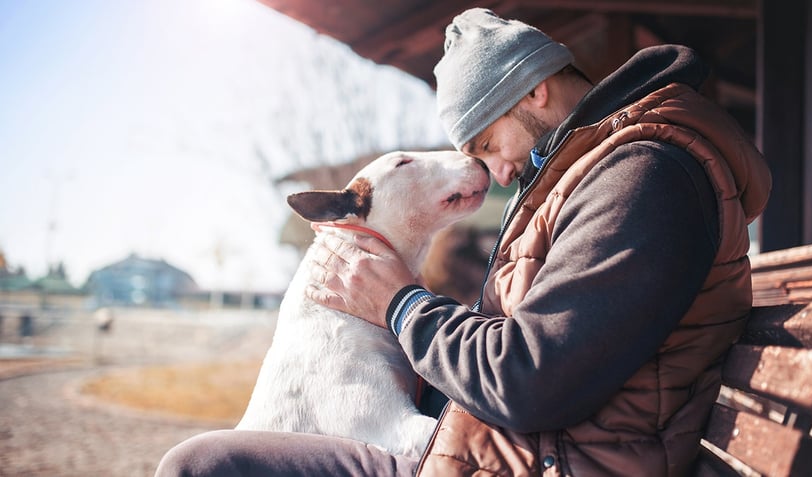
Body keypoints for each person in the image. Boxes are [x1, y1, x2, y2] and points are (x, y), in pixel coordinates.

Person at [156, 8, 771, 477]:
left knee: (205, 465)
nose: (497, 173)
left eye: (484, 145)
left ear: (531, 90)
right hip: (520, 443)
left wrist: (400, 304)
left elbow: (529, 381)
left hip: (549, 461)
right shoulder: (607, 172)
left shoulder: (643, 177)